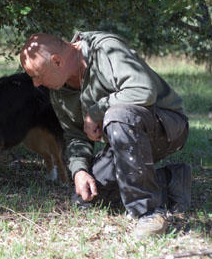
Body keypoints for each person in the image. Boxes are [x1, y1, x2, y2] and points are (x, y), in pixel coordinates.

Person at [19, 32, 192, 238]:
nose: (36, 84)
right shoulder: (59, 89)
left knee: (117, 115)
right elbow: (75, 135)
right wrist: (79, 171)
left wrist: (95, 111)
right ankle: (172, 179)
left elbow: (143, 90)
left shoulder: (105, 49)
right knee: (87, 196)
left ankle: (148, 213)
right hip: (126, 139)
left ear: (57, 61)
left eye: (36, 75)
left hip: (167, 126)